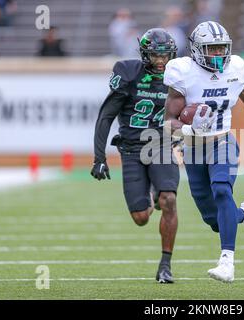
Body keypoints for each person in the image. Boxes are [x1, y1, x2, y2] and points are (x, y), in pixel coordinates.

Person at [163, 21, 244, 283]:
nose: (218, 54)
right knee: (214, 220)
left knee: (222, 189)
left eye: (221, 48)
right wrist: (190, 130)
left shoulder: (235, 69)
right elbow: (169, 122)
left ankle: (227, 261)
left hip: (222, 142)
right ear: (197, 50)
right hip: (193, 149)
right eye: (211, 49)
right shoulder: (183, 72)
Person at [91, 28, 180, 283]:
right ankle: (151, 195)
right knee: (141, 218)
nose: (161, 61)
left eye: (165, 56)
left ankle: (165, 265)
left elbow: (184, 112)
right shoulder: (128, 73)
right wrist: (99, 158)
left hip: (160, 145)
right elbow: (106, 114)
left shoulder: (178, 76)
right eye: (155, 55)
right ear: (144, 54)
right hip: (130, 149)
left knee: (170, 199)